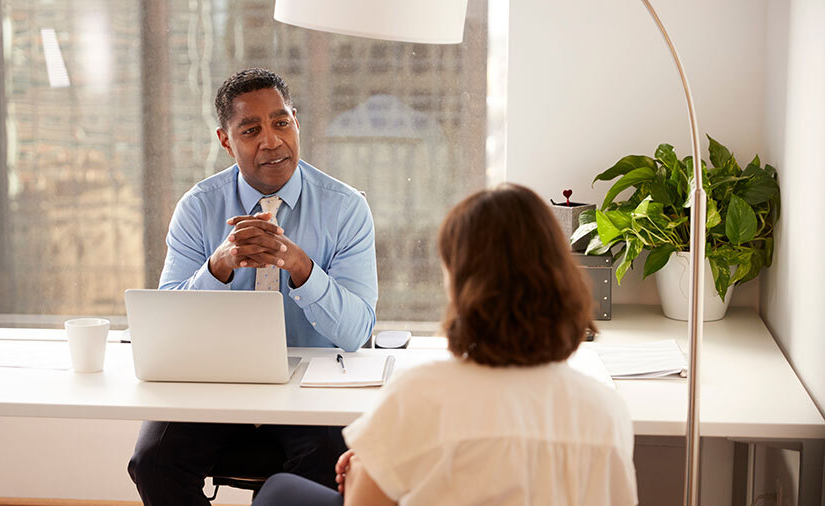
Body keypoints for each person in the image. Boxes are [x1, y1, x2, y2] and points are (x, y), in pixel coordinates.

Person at [252, 184, 638, 506]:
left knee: (279, 491)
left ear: (462, 283)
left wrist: (360, 473)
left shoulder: (424, 393)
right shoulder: (606, 411)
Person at [127, 68, 378, 505]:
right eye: (251, 129)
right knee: (152, 462)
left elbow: (357, 331)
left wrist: (300, 265)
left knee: (327, 463)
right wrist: (220, 264)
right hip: (216, 384)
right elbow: (164, 325)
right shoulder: (198, 207)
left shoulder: (347, 208)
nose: (271, 141)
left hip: (309, 390)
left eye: (281, 122)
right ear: (226, 140)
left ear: (296, 121)